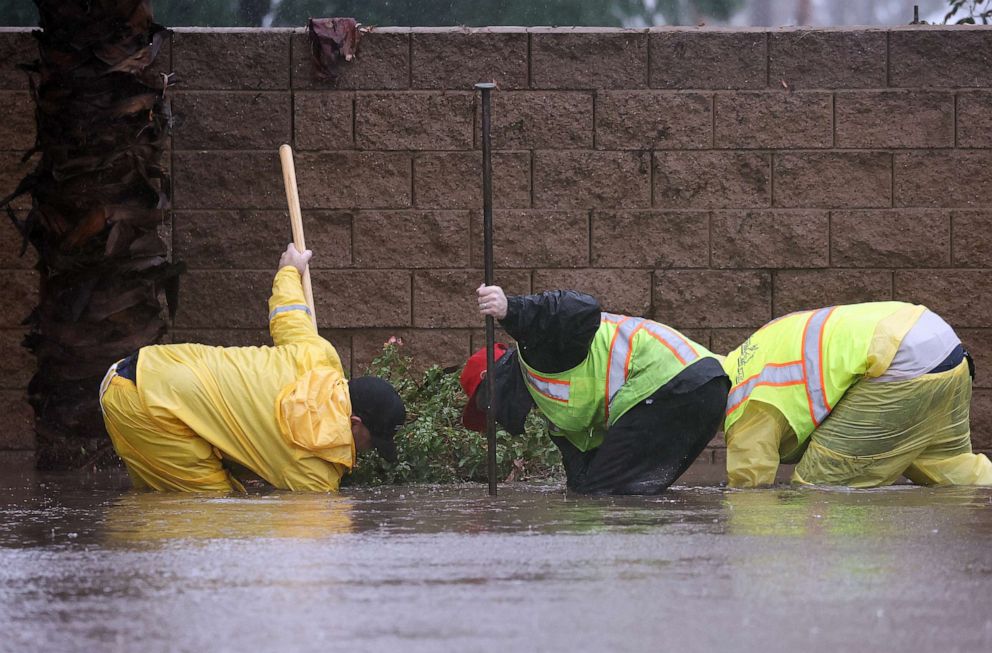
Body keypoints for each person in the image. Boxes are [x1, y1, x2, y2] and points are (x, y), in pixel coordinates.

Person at [99, 244, 405, 492]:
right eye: (371, 441)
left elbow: (289, 315)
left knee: (163, 496)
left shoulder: (319, 358)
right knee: (213, 506)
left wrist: (289, 270)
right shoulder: (315, 474)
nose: (369, 451)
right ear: (354, 423)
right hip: (147, 407)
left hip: (150, 365)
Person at [461, 284, 730, 495]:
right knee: (612, 489)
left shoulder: (539, 355)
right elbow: (582, 476)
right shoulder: (553, 412)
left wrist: (511, 310)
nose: (494, 416)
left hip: (676, 383)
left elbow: (582, 308)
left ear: (497, 379)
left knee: (604, 491)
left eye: (487, 404)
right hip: (703, 392)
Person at [722, 301, 992, 488]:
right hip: (941, 344)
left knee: (820, 486)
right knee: (949, 466)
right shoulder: (752, 353)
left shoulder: (742, 401)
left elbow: (750, 482)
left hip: (897, 359)